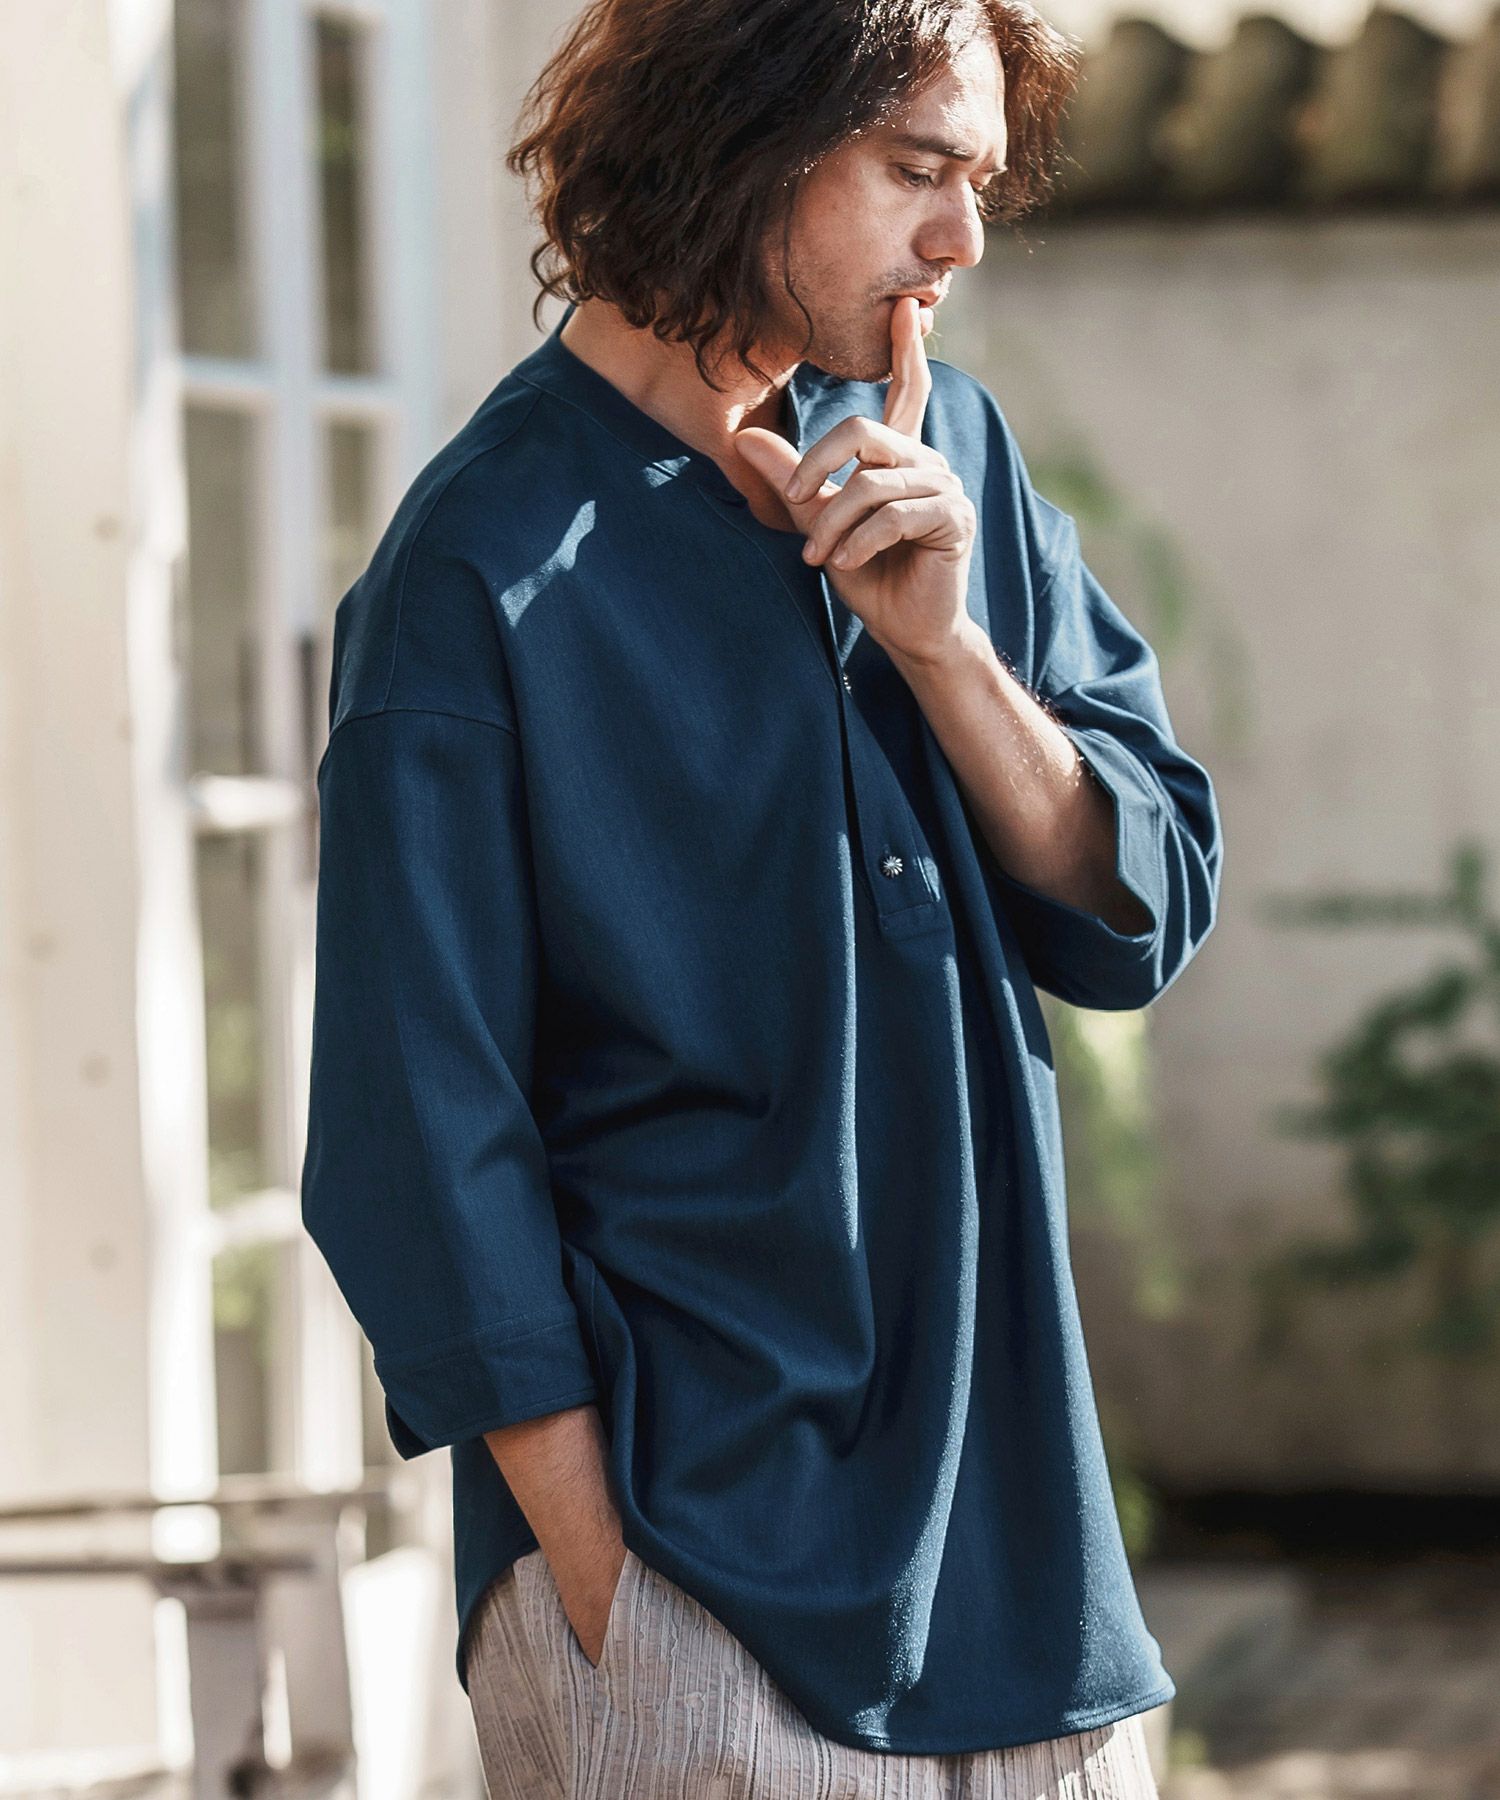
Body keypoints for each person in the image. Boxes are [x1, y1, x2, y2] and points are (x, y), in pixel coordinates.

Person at [299, 0, 1224, 1792]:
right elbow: (414, 1128)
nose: (962, 238)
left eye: (979, 180)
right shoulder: (475, 570)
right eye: (917, 170)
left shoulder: (948, 456)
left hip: (1030, 1583)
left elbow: (1145, 902)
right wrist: (604, 1583)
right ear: (741, 138)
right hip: (692, 1589)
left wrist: (949, 653)